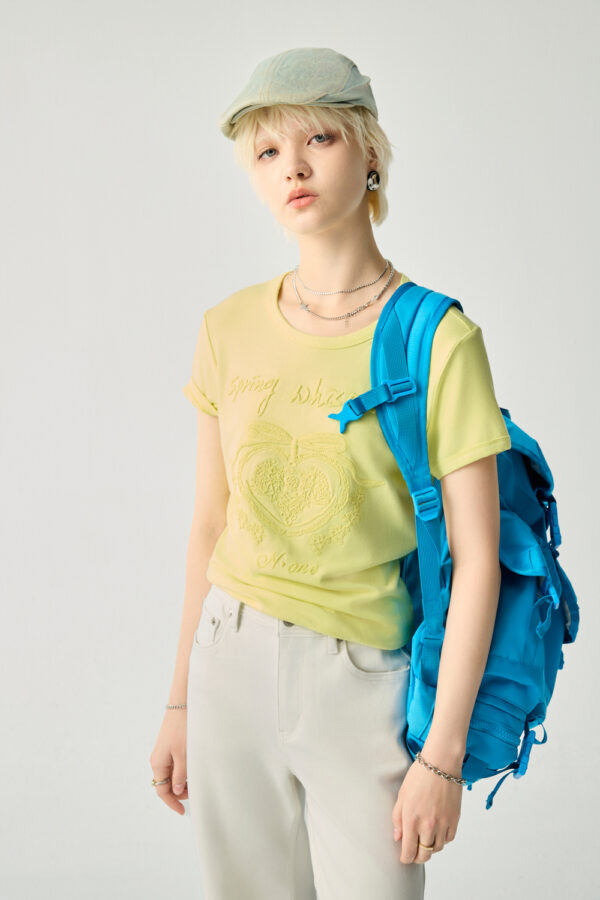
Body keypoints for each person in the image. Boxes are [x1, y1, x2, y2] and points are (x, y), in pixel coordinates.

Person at [149, 47, 511, 900]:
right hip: (229, 657)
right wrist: (179, 702)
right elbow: (211, 524)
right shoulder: (227, 327)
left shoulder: (438, 339)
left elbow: (478, 562)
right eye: (268, 152)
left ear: (370, 152)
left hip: (364, 680)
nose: (293, 169)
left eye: (320, 138)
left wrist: (442, 756)